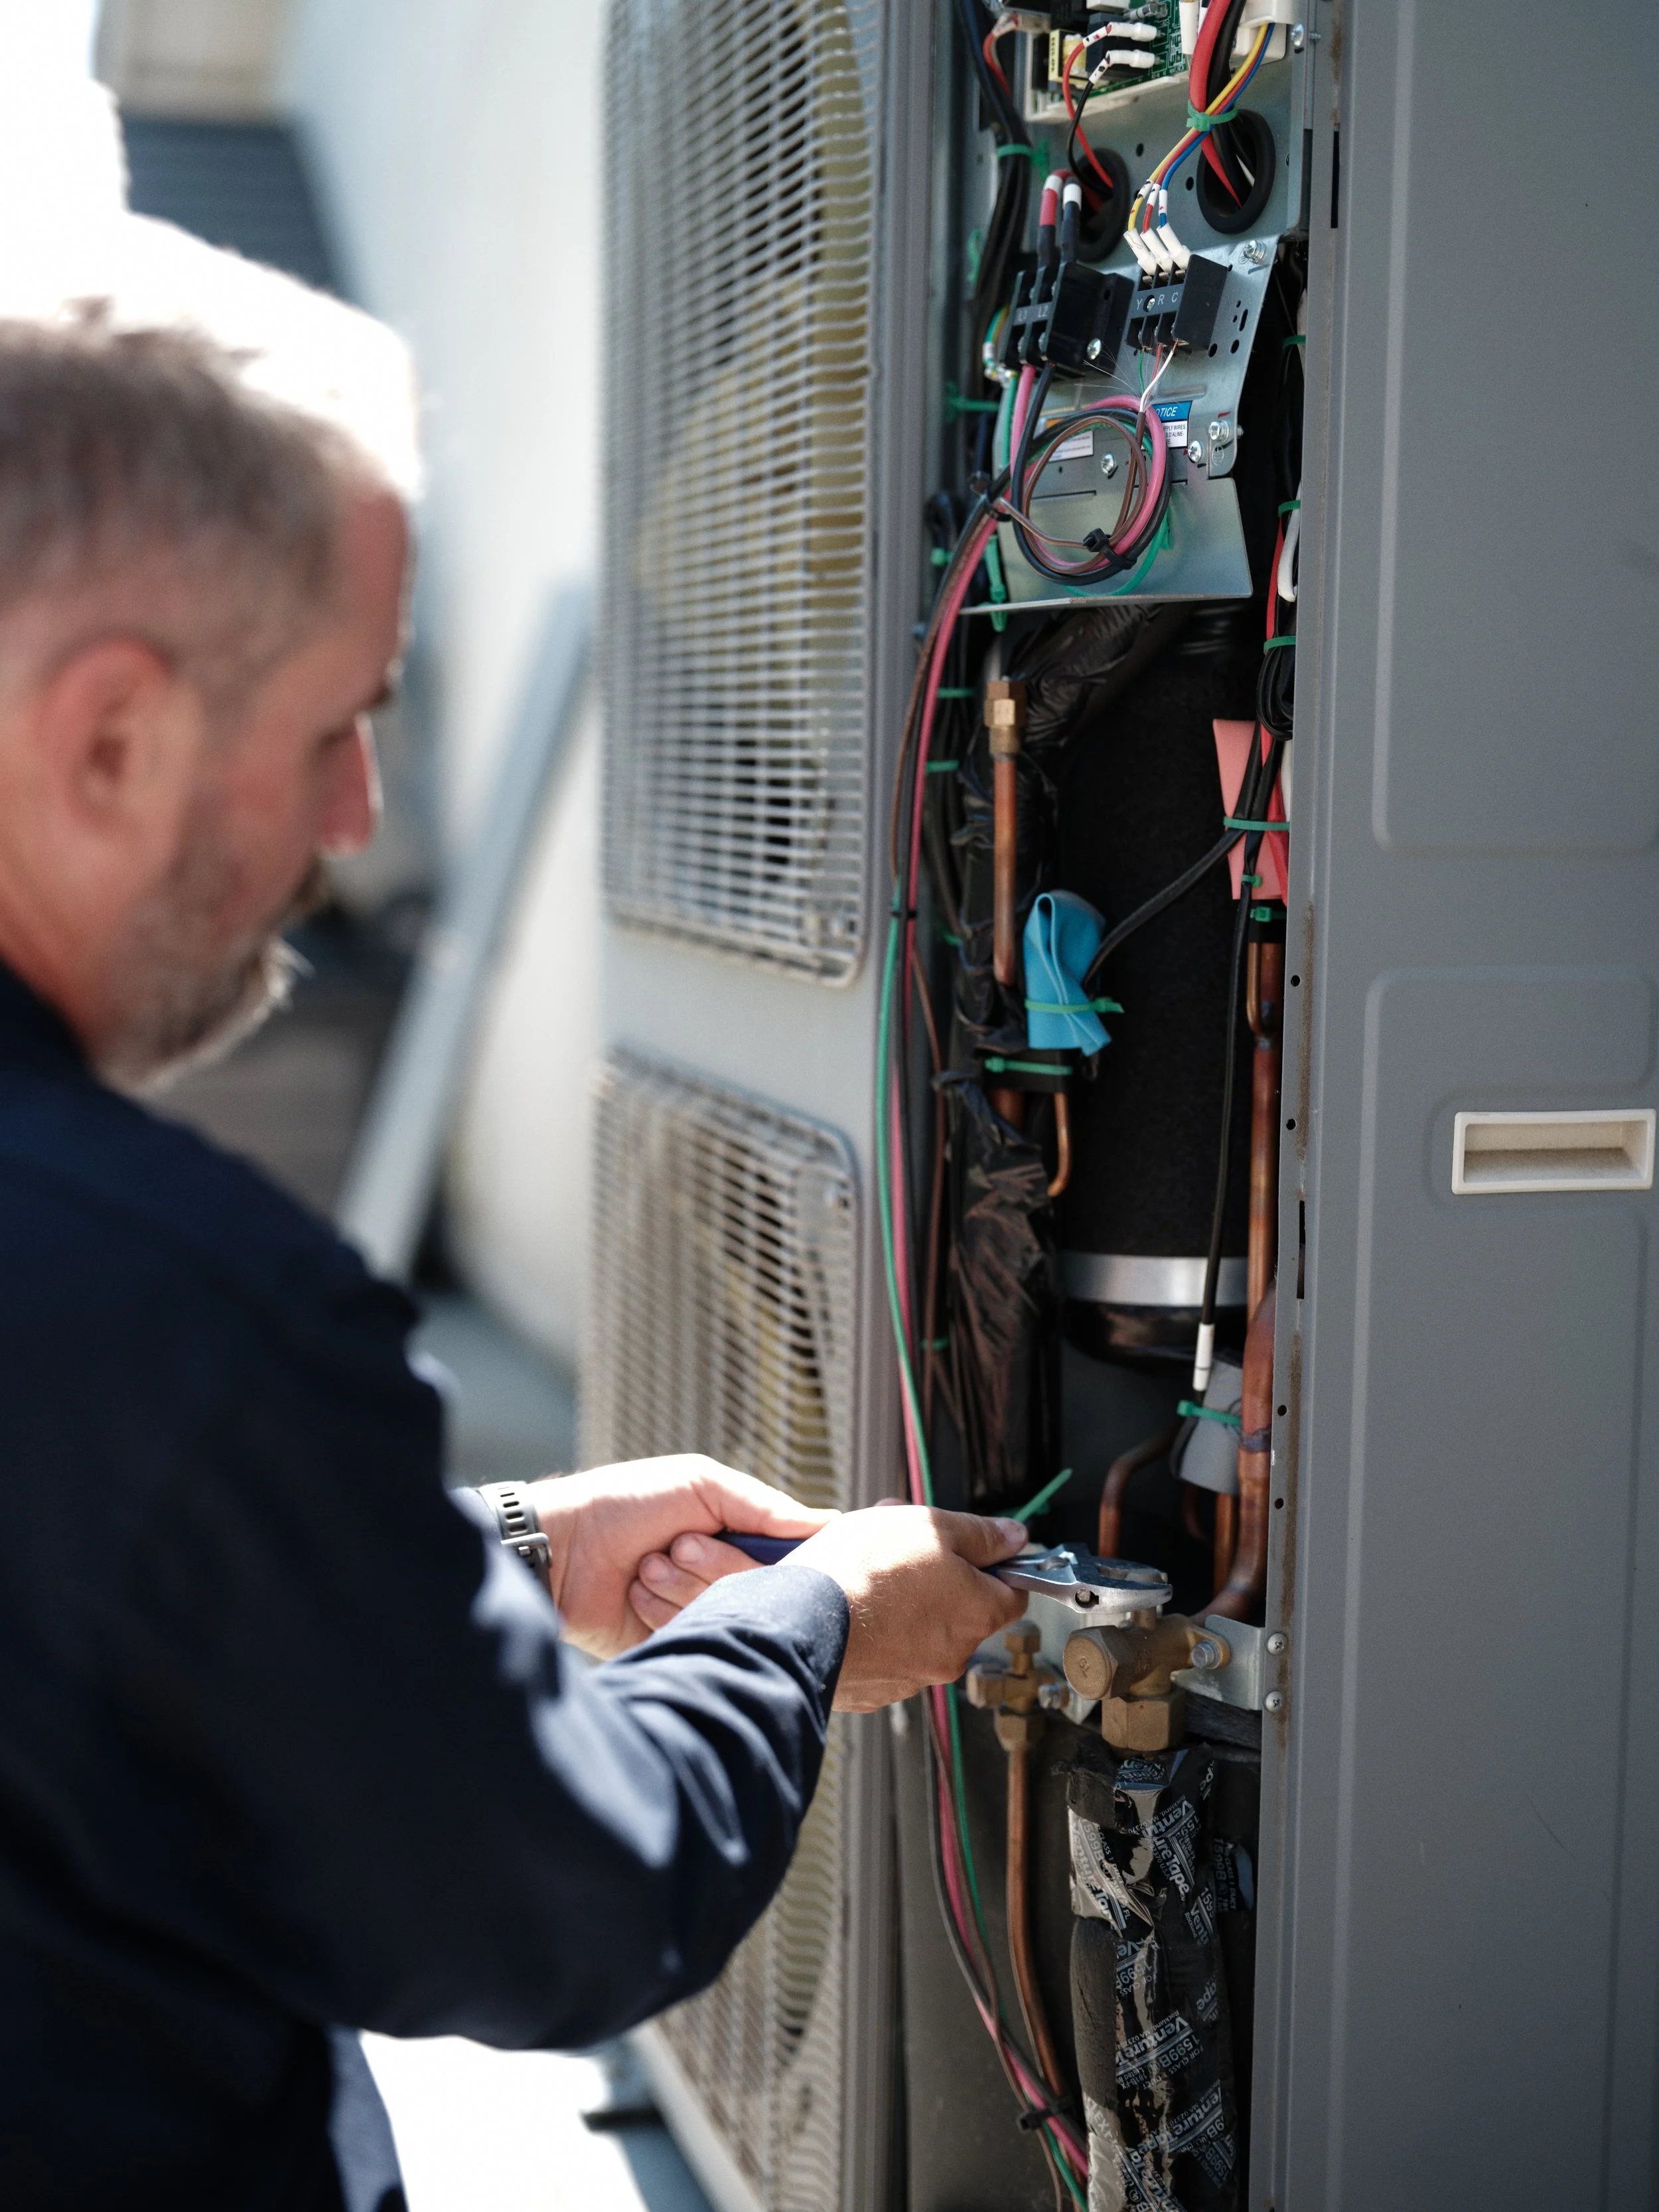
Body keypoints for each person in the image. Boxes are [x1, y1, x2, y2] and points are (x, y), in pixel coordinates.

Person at [0, 316, 1029, 2211]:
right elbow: (566, 1894)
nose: (356, 822)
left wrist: (494, 1551)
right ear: (114, 734)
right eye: (335, 728)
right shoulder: (183, 1309)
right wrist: (804, 1625)